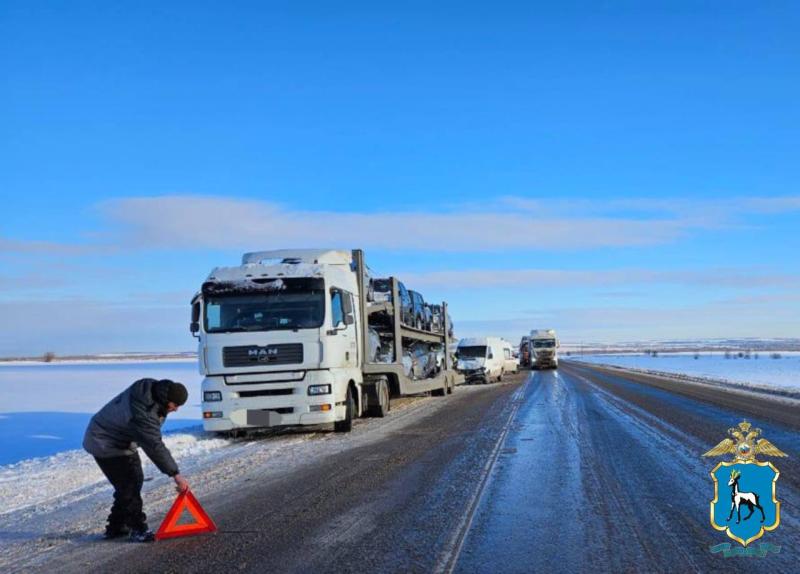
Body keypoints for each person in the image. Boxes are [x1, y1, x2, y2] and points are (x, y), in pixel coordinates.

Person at [83, 378, 190, 542]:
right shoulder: (144, 412)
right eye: (175, 405)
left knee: (131, 482)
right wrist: (175, 474)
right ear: (167, 400)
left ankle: (117, 527)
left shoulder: (152, 391)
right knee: (129, 483)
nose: (176, 409)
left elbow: (149, 435)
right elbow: (153, 445)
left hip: (121, 439)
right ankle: (137, 529)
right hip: (104, 441)